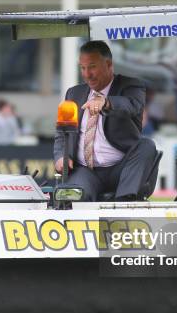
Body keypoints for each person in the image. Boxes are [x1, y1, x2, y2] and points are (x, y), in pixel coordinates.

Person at [53, 40, 157, 202]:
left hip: (121, 168)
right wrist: (60, 156)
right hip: (85, 171)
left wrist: (106, 102)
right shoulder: (74, 93)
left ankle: (123, 203)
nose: (87, 74)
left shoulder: (131, 86)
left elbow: (131, 106)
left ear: (108, 64)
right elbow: (62, 131)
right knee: (71, 197)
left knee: (147, 145)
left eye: (92, 67)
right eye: (83, 68)